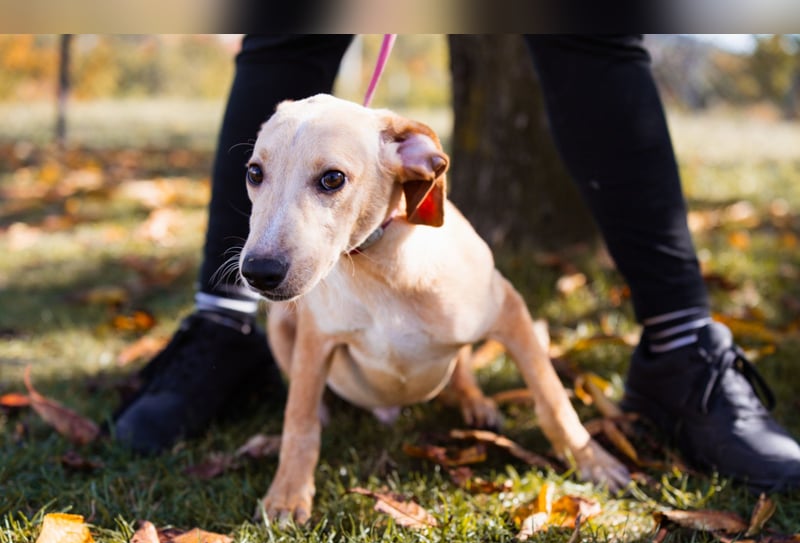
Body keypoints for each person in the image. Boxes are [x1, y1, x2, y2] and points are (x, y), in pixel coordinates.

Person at [113, 34, 800, 492]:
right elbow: (313, 327)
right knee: (285, 29)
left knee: (590, 30)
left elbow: (510, 314)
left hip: (422, 314)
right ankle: (223, 325)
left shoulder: (437, 247)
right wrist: (300, 452)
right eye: (258, 175)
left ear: (414, 164)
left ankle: (681, 343)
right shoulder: (309, 258)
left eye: (329, 181)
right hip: (352, 367)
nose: (264, 242)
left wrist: (573, 441)